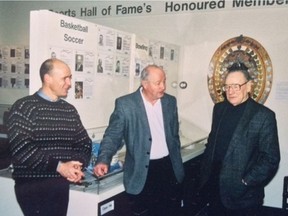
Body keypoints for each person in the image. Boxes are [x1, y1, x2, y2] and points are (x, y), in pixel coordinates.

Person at [94, 64, 185, 216]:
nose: (163, 86)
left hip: (169, 168)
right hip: (142, 171)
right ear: (145, 83)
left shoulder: (170, 102)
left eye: (164, 81)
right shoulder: (126, 104)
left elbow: (174, 135)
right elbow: (113, 135)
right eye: (158, 83)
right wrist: (103, 159)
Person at [7, 58, 92, 216]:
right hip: (32, 186)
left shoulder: (69, 110)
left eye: (70, 77)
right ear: (47, 78)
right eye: (64, 78)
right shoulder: (24, 107)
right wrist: (60, 167)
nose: (69, 83)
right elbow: (22, 148)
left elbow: (84, 143)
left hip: (59, 184)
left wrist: (76, 166)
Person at [198, 62, 280, 216]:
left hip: (243, 196)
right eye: (227, 86)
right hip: (214, 189)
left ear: (249, 86)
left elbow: (271, 158)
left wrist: (246, 181)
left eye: (236, 86)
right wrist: (205, 173)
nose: (231, 91)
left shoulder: (264, 116)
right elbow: (212, 143)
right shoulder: (219, 109)